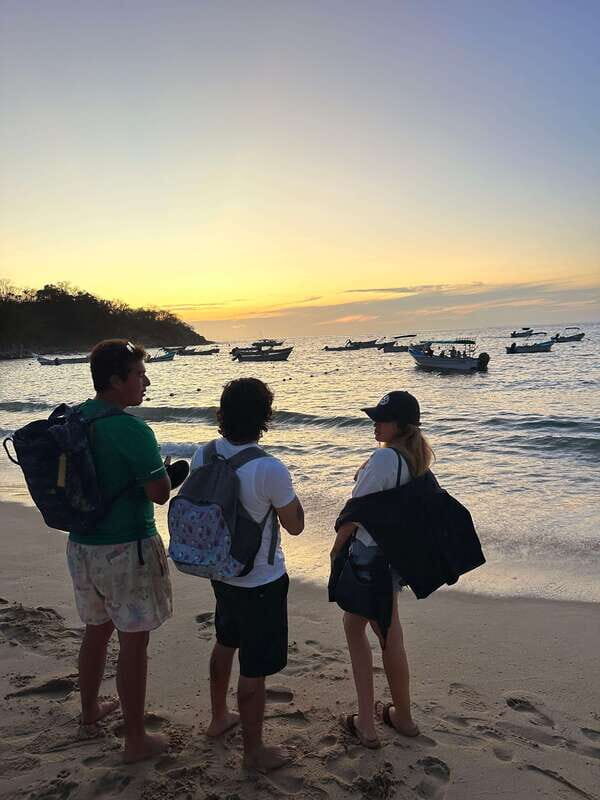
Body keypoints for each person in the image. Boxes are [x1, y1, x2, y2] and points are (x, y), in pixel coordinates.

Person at [67, 339, 173, 763]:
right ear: (116, 380)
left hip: (82, 545)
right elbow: (159, 493)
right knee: (133, 641)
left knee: (96, 630)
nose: (146, 382)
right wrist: (165, 473)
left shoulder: (76, 418)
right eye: (139, 374)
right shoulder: (131, 430)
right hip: (127, 547)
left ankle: (90, 711)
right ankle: (136, 740)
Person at [191, 377, 304, 773]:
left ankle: (218, 718)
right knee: (254, 667)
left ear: (222, 414)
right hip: (260, 579)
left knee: (225, 641)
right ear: (264, 418)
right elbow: (295, 526)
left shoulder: (204, 454)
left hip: (220, 570)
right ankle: (254, 753)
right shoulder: (268, 468)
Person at [330, 390, 433, 748]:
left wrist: (336, 550)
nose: (375, 423)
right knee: (387, 634)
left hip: (369, 557)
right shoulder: (415, 460)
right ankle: (402, 717)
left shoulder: (385, 459)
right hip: (392, 559)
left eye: (383, 419)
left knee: (362, 630)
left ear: (401, 425)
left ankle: (367, 725)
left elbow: (357, 512)